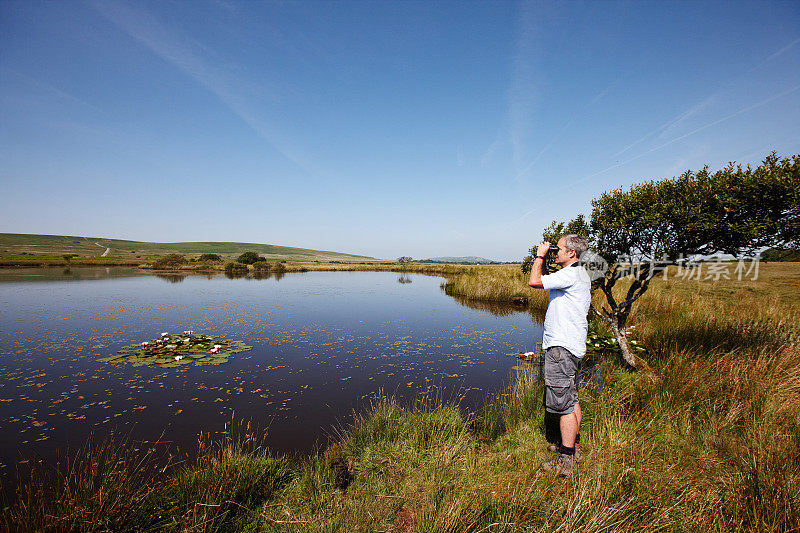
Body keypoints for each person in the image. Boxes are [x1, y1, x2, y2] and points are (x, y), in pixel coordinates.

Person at [528, 234, 591, 477]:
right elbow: (544, 280)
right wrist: (545, 259)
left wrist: (539, 255)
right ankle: (572, 446)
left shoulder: (571, 273)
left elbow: (534, 282)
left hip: (561, 348)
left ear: (572, 253)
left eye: (559, 249)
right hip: (572, 345)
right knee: (571, 398)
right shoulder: (578, 273)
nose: (556, 252)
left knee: (563, 405)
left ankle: (566, 461)